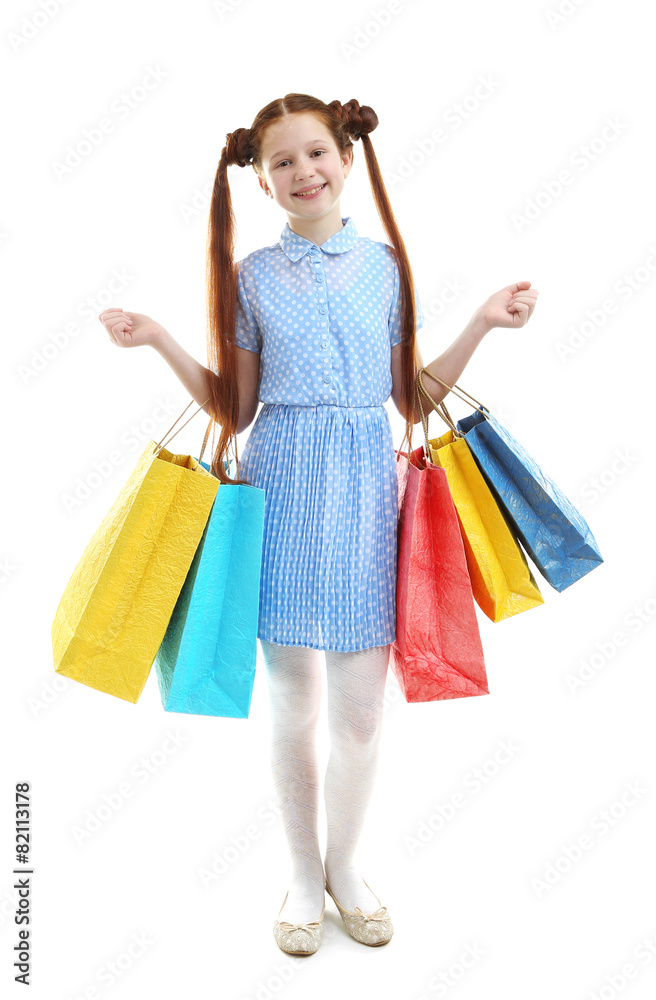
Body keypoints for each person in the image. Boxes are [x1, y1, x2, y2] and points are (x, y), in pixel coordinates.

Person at [98, 93, 538, 956]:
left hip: (366, 491)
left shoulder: (384, 265)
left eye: (315, 154)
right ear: (261, 184)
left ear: (346, 156)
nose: (303, 173)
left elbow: (409, 399)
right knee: (295, 702)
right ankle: (303, 875)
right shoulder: (253, 277)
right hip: (284, 482)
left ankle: (347, 869)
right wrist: (158, 339)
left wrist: (482, 323)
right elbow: (236, 407)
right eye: (282, 164)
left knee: (364, 715)